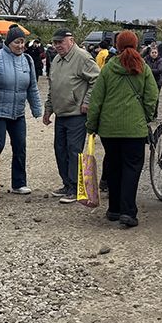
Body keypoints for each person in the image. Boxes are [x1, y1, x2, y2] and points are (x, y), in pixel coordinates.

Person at [87, 31, 158, 228]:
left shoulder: (109, 68)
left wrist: (91, 125)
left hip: (109, 130)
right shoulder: (143, 68)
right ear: (136, 45)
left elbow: (96, 100)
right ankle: (128, 212)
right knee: (132, 169)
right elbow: (152, 96)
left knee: (114, 167)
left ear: (117, 46)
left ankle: (113, 209)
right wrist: (145, 118)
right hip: (134, 130)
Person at [45, 29, 100, 202]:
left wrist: (87, 102)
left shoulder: (83, 58)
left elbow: (97, 80)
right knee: (59, 150)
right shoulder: (56, 59)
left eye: (60, 42)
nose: (57, 45)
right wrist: (49, 108)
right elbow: (53, 86)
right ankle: (67, 183)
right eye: (55, 42)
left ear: (71, 40)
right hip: (61, 113)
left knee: (73, 150)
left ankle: (76, 188)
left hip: (76, 114)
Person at [0, 25, 42, 195]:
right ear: (8, 42)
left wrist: (37, 109)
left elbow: (32, 87)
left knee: (20, 147)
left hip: (18, 112)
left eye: (22, 42)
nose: (20, 45)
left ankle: (19, 183)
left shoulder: (27, 60)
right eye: (16, 42)